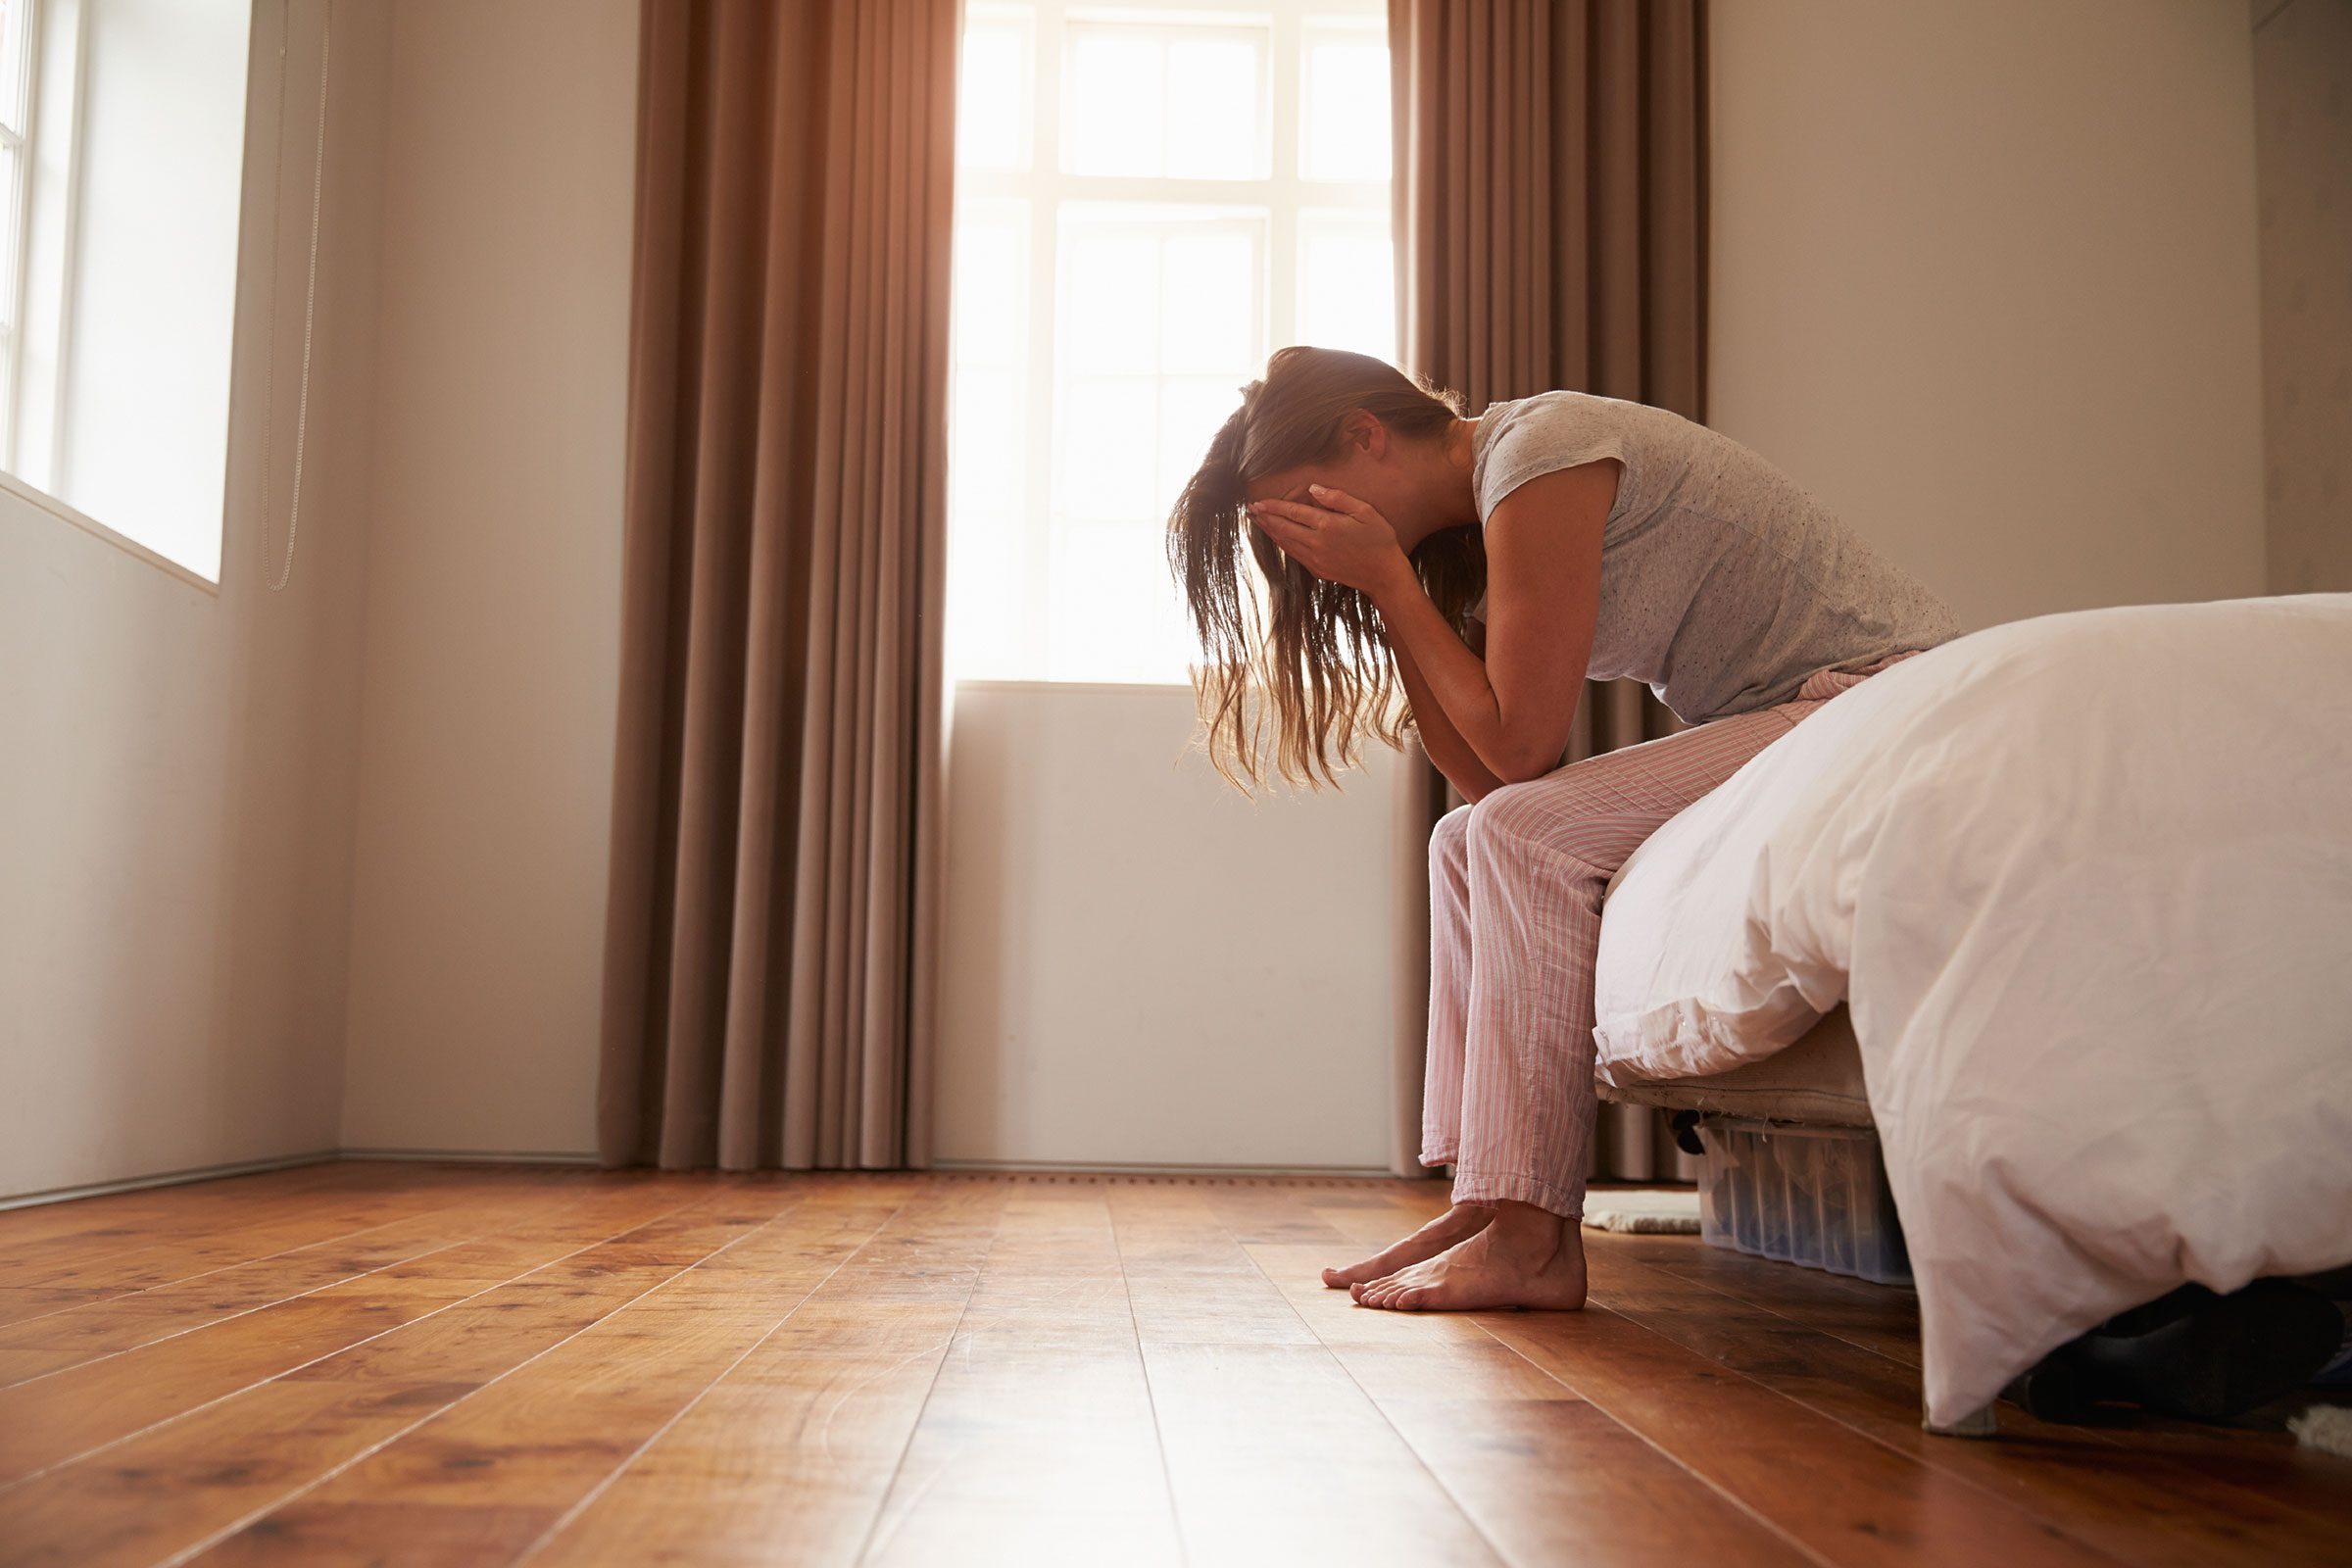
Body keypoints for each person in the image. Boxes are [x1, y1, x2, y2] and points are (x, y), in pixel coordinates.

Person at [1165, 345, 1959, 1312]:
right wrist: (1390, 590)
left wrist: (1393, 586)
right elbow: (1480, 779)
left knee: (1522, 833)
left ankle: (1533, 1235)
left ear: (1366, 437)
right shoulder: (1487, 521)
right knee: (1466, 837)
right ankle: (1488, 1199)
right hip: (1806, 717)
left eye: (1310, 510)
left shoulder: (1540, 453)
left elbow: (1525, 747)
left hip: (1873, 702)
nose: (1307, 550)